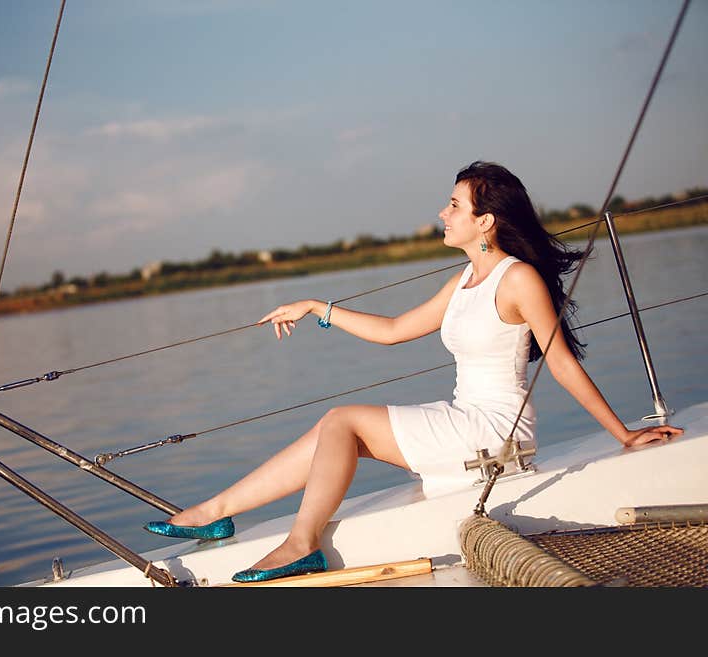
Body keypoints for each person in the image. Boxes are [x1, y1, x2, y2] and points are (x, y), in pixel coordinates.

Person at [144, 160, 684, 583]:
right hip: (464, 418)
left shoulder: (518, 280)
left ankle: (302, 543)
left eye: (454, 205)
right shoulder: (467, 279)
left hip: (496, 433)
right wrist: (316, 307)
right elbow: (395, 329)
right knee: (335, 429)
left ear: (485, 221)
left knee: (343, 422)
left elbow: (561, 362)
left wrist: (624, 435)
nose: (442, 214)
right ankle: (215, 512)